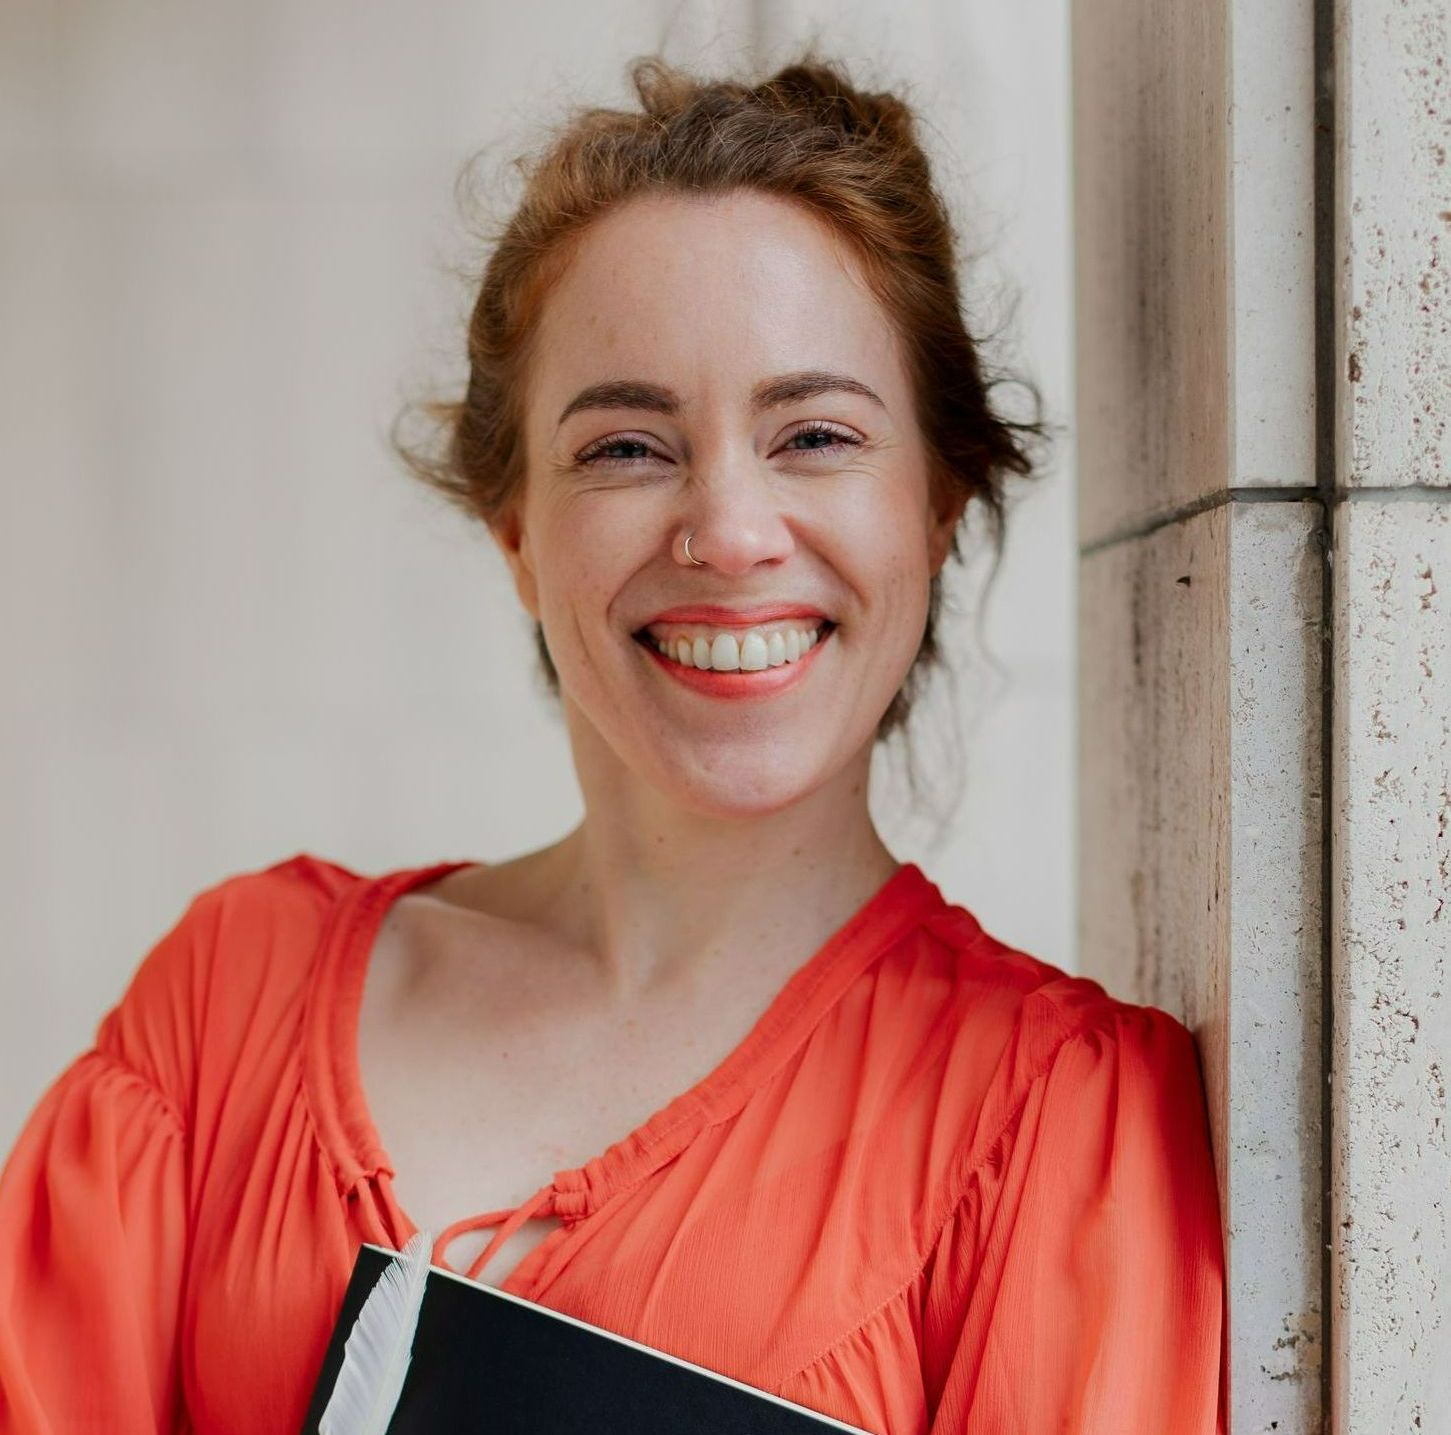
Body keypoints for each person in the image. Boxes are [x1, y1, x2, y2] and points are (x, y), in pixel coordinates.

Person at [0, 49, 1226, 1435]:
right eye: (628, 449)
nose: (731, 533)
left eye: (816, 435)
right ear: (516, 531)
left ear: (937, 507)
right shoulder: (229, 1009)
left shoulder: (1053, 1126)